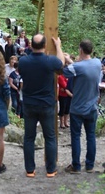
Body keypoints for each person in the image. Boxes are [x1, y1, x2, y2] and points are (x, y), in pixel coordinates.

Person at [17, 33, 65, 178]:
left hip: (30, 104)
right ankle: (50, 170)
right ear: (45, 46)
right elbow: (61, 64)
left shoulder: (23, 61)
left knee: (29, 137)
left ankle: (30, 170)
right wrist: (58, 47)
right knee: (50, 137)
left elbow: (21, 72)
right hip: (47, 105)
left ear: (30, 45)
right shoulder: (50, 61)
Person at [63, 40, 102, 174]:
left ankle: (76, 166)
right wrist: (71, 61)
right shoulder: (97, 63)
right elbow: (82, 68)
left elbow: (64, 72)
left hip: (77, 108)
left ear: (80, 50)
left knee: (75, 137)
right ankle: (90, 165)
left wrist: (66, 60)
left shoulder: (77, 67)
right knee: (91, 136)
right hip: (92, 107)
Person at [58, 61, 72, 129]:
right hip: (62, 95)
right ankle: (61, 123)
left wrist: (67, 88)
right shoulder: (60, 77)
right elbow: (65, 85)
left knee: (67, 109)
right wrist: (66, 88)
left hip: (68, 95)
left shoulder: (69, 76)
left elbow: (70, 85)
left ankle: (66, 122)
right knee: (62, 108)